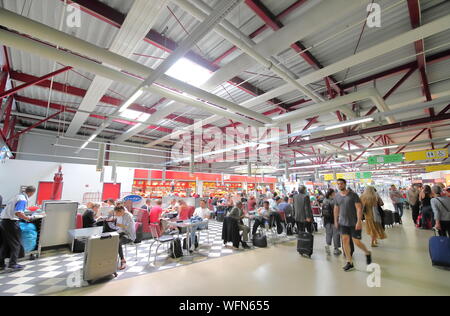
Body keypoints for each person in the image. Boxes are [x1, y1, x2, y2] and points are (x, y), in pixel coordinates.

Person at [334, 179, 372, 272]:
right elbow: (336, 208)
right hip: (343, 223)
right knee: (345, 241)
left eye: (341, 184)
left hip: (354, 222)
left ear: (345, 184)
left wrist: (359, 221)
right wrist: (335, 220)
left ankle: (367, 253)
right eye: (338, 184)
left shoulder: (353, 195)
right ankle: (349, 262)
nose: (339, 185)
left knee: (356, 242)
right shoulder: (337, 196)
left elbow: (359, 208)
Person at [0, 186, 37, 271]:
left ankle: (1, 264)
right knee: (16, 244)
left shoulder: (17, 196)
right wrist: (28, 218)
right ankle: (13, 264)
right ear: (32, 193)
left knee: (5, 244)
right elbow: (18, 213)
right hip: (11, 223)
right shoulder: (22, 199)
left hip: (3, 222)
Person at [108, 205, 136, 270]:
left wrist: (117, 224)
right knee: (111, 239)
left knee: (118, 242)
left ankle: (123, 260)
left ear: (121, 211)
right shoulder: (122, 215)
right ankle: (111, 259)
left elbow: (127, 227)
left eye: (117, 213)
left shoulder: (128, 216)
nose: (116, 214)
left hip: (129, 235)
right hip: (123, 232)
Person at [322, 189, 341, 256]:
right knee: (336, 234)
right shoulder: (334, 201)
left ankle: (327, 245)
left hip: (326, 220)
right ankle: (336, 249)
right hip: (334, 220)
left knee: (328, 234)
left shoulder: (324, 200)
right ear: (331, 194)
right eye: (334, 193)